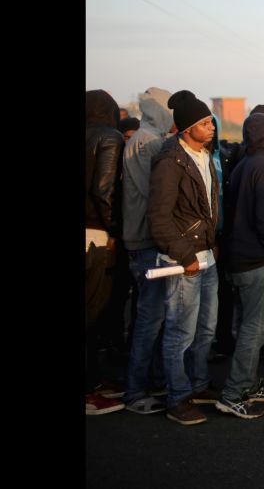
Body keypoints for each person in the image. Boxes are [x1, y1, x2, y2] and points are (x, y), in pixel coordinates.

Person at [147, 90, 221, 425]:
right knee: (181, 332)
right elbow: (159, 218)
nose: (211, 127)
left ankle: (199, 384)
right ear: (186, 127)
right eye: (204, 123)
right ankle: (177, 398)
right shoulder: (170, 161)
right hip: (184, 261)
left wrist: (210, 247)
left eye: (211, 121)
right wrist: (185, 255)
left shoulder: (205, 155)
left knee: (206, 329)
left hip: (207, 258)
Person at [217, 112, 264, 419]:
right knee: (254, 331)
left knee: (247, 325)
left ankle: (247, 384)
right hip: (257, 259)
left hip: (236, 257)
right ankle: (233, 393)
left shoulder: (243, 164)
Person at [120, 87, 175, 415]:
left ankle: (150, 379)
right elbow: (156, 193)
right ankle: (136, 389)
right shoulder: (149, 142)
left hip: (139, 238)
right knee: (150, 318)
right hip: (146, 240)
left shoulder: (140, 137)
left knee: (152, 316)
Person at [86, 90, 126, 416]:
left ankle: (94, 382)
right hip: (95, 237)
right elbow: (104, 190)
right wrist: (113, 230)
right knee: (92, 314)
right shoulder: (109, 137)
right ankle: (89, 391)